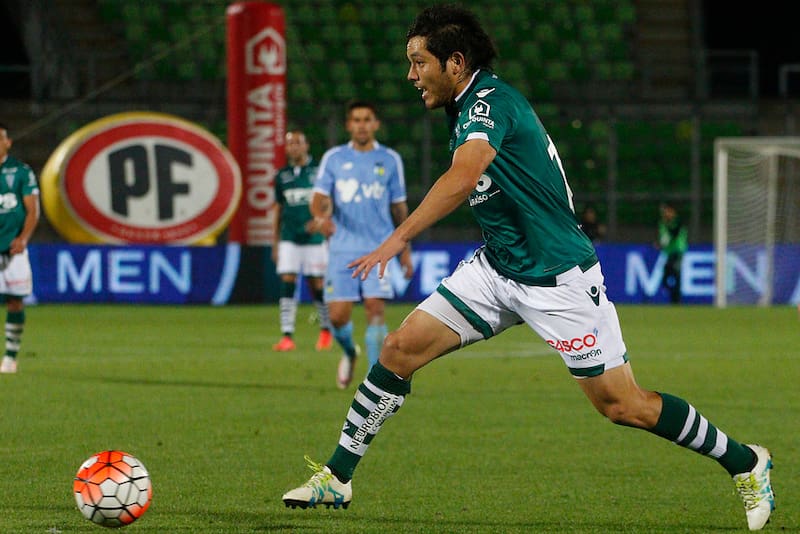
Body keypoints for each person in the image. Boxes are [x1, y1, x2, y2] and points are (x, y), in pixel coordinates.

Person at [281, 6, 775, 530]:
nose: (411, 75)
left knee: (622, 405)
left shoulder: (488, 103)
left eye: (419, 62)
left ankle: (746, 461)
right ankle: (337, 477)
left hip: (557, 276)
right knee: (399, 349)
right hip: (497, 269)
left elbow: (463, 176)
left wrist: (397, 237)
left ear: (454, 63)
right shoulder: (466, 104)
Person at [306, 100, 414, 389]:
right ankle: (350, 352)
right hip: (342, 248)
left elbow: (399, 208)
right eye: (356, 120)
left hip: (379, 247)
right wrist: (321, 218)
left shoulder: (390, 159)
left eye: (367, 119)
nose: (362, 125)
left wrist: (405, 250)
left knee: (375, 309)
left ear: (375, 124)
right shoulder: (334, 158)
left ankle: (373, 381)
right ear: (348, 125)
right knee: (338, 317)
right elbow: (318, 199)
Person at [271, 130, 333, 352]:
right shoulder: (281, 176)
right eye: (289, 143)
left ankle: (326, 330)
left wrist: (321, 220)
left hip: (314, 238)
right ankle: (287, 335)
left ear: (306, 146)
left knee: (316, 284)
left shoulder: (319, 172)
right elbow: (278, 208)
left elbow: (328, 202)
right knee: (287, 279)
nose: (293, 147)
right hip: (289, 237)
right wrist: (275, 241)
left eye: (297, 142)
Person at [0, 122, 40, 374]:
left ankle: (10, 357)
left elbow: (32, 211)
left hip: (12, 248)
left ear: (8, 142)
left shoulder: (21, 172)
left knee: (15, 301)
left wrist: (23, 238)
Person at [656, 201, 688, 304]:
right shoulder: (662, 223)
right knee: (666, 276)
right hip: (669, 253)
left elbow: (674, 233)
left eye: (667, 211)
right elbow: (663, 237)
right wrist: (660, 244)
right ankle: (674, 296)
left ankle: (676, 299)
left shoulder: (678, 222)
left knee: (676, 273)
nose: (665, 213)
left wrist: (662, 243)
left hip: (678, 251)